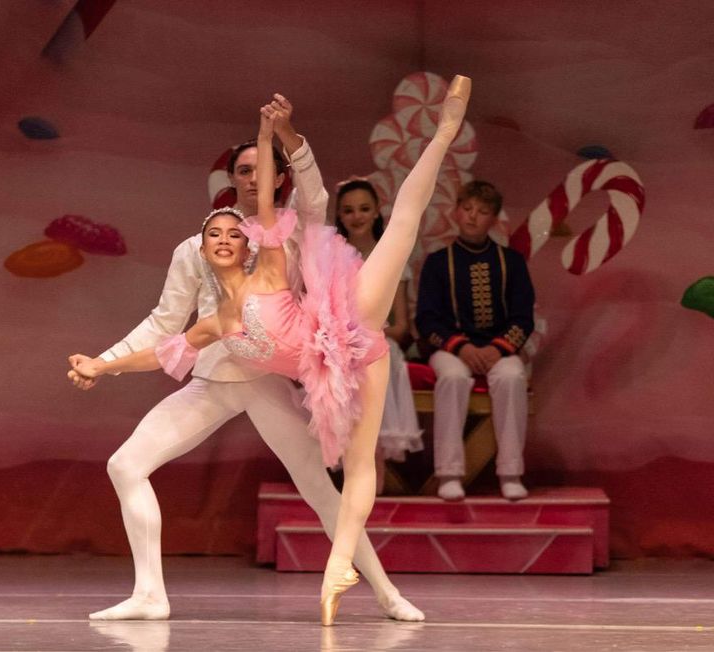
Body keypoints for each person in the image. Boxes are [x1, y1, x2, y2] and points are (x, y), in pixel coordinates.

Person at [72, 77, 471, 625]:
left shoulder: (279, 239)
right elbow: (164, 329)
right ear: (230, 182)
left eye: (259, 174)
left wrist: (283, 136)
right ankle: (149, 594)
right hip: (219, 375)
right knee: (125, 465)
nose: (250, 183)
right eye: (241, 174)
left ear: (274, 179)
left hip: (277, 371)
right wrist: (103, 363)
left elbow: (317, 199)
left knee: (321, 488)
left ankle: (383, 590)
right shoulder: (195, 250)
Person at [415, 180, 535, 502]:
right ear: (456, 211)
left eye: (482, 212)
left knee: (512, 377)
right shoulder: (438, 263)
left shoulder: (512, 262)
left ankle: (511, 472)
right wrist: (461, 347)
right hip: (451, 349)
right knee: (452, 377)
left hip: (499, 349)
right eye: (467, 209)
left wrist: (497, 349)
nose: (472, 217)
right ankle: (449, 473)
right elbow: (426, 319)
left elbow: (524, 318)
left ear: (494, 219)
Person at [334, 178, 424, 492]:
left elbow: (400, 325)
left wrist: (368, 338)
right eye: (348, 210)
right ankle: (349, 478)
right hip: (339, 345)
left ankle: (374, 475)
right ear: (340, 216)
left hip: (379, 344)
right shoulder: (332, 257)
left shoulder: (391, 255)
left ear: (376, 212)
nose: (356, 216)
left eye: (364, 208)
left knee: (378, 362)